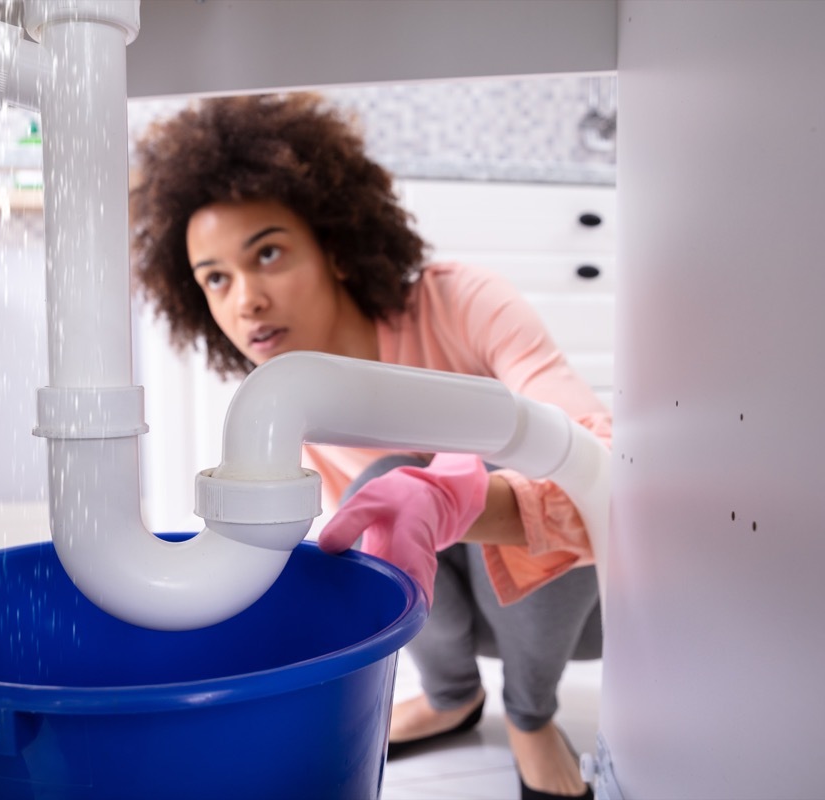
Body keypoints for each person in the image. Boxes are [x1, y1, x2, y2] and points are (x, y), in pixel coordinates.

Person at [129, 92, 609, 800]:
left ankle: (531, 717)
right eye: (217, 279)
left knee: (505, 446)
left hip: (579, 605)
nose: (245, 301)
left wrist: (458, 496)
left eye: (268, 253)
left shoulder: (462, 304)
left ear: (336, 249)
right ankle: (451, 696)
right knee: (378, 487)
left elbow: (604, 466)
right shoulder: (291, 399)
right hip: (462, 625)